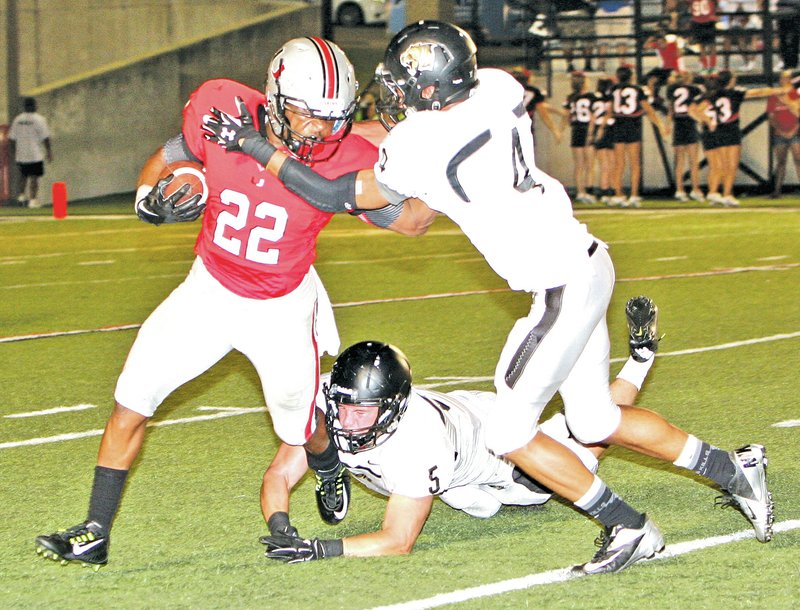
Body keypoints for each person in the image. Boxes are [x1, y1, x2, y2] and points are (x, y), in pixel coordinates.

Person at [204, 21, 774, 575]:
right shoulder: (497, 87)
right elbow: (404, 143)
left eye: (403, 83)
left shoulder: (424, 143)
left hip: (559, 289)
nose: (394, 94)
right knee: (594, 418)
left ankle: (627, 526)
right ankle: (734, 470)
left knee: (508, 431)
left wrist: (255, 146)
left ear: (428, 87)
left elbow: (332, 191)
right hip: (587, 261)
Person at [33, 37, 432, 571]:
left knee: (301, 426)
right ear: (274, 93)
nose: (317, 130)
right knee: (132, 398)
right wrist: (147, 199)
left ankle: (329, 464)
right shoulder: (222, 112)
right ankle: (94, 531)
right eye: (305, 113)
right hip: (209, 290)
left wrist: (428, 162)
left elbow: (411, 220)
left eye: (332, 118)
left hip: (282, 306)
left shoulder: (345, 157)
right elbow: (168, 156)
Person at [257, 300, 658, 561]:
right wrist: (280, 524)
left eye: (361, 414)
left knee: (586, 442)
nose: (346, 423)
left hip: (494, 449)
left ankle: (640, 358)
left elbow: (398, 541)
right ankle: (332, 478)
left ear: (392, 409)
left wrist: (320, 549)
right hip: (459, 421)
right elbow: (279, 473)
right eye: (341, 409)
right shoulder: (333, 399)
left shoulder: (418, 443)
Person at [695, 69, 787, 205]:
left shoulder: (711, 94)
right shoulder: (735, 92)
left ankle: (713, 192)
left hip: (712, 131)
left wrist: (706, 120)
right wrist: (781, 90)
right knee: (731, 164)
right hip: (730, 129)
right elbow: (759, 92)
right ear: (730, 80)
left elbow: (696, 110)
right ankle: (726, 194)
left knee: (716, 166)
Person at [608, 65, 668, 207]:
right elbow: (648, 109)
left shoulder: (614, 90)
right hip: (633, 126)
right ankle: (634, 195)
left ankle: (618, 194)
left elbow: (609, 110)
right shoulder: (638, 90)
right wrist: (660, 125)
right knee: (635, 163)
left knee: (619, 163)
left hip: (618, 126)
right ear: (631, 76)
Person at [666, 70, 705, 200]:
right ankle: (695, 189)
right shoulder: (695, 89)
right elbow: (696, 107)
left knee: (680, 160)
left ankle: (680, 189)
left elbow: (671, 108)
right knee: (693, 160)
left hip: (678, 124)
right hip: (689, 123)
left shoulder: (672, 89)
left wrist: (668, 124)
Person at [8, 97, 52, 209]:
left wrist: (13, 152)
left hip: (21, 154)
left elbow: (12, 138)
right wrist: (49, 152)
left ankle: (21, 197)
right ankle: (32, 200)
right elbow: (45, 137)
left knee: (23, 176)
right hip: (35, 154)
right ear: (34, 106)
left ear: (24, 106)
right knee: (34, 177)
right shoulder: (40, 119)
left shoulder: (17, 119)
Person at [563, 71, 597, 203]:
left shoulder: (571, 97)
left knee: (579, 165)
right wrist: (591, 133)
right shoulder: (591, 97)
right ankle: (588, 191)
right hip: (587, 129)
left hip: (576, 130)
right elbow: (593, 117)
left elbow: (567, 116)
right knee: (589, 164)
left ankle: (580, 192)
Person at [767, 69, 800, 197]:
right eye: (782, 78)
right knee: (780, 162)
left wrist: (793, 130)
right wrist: (780, 130)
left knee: (798, 160)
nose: (784, 81)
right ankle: (777, 190)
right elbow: (771, 117)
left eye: (787, 78)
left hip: (795, 133)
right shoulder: (774, 96)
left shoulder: (795, 95)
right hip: (779, 134)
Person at [776, 0, 800, 70]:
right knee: (785, 42)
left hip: (792, 19)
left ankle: (790, 63)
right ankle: (789, 63)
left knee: (791, 42)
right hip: (785, 20)